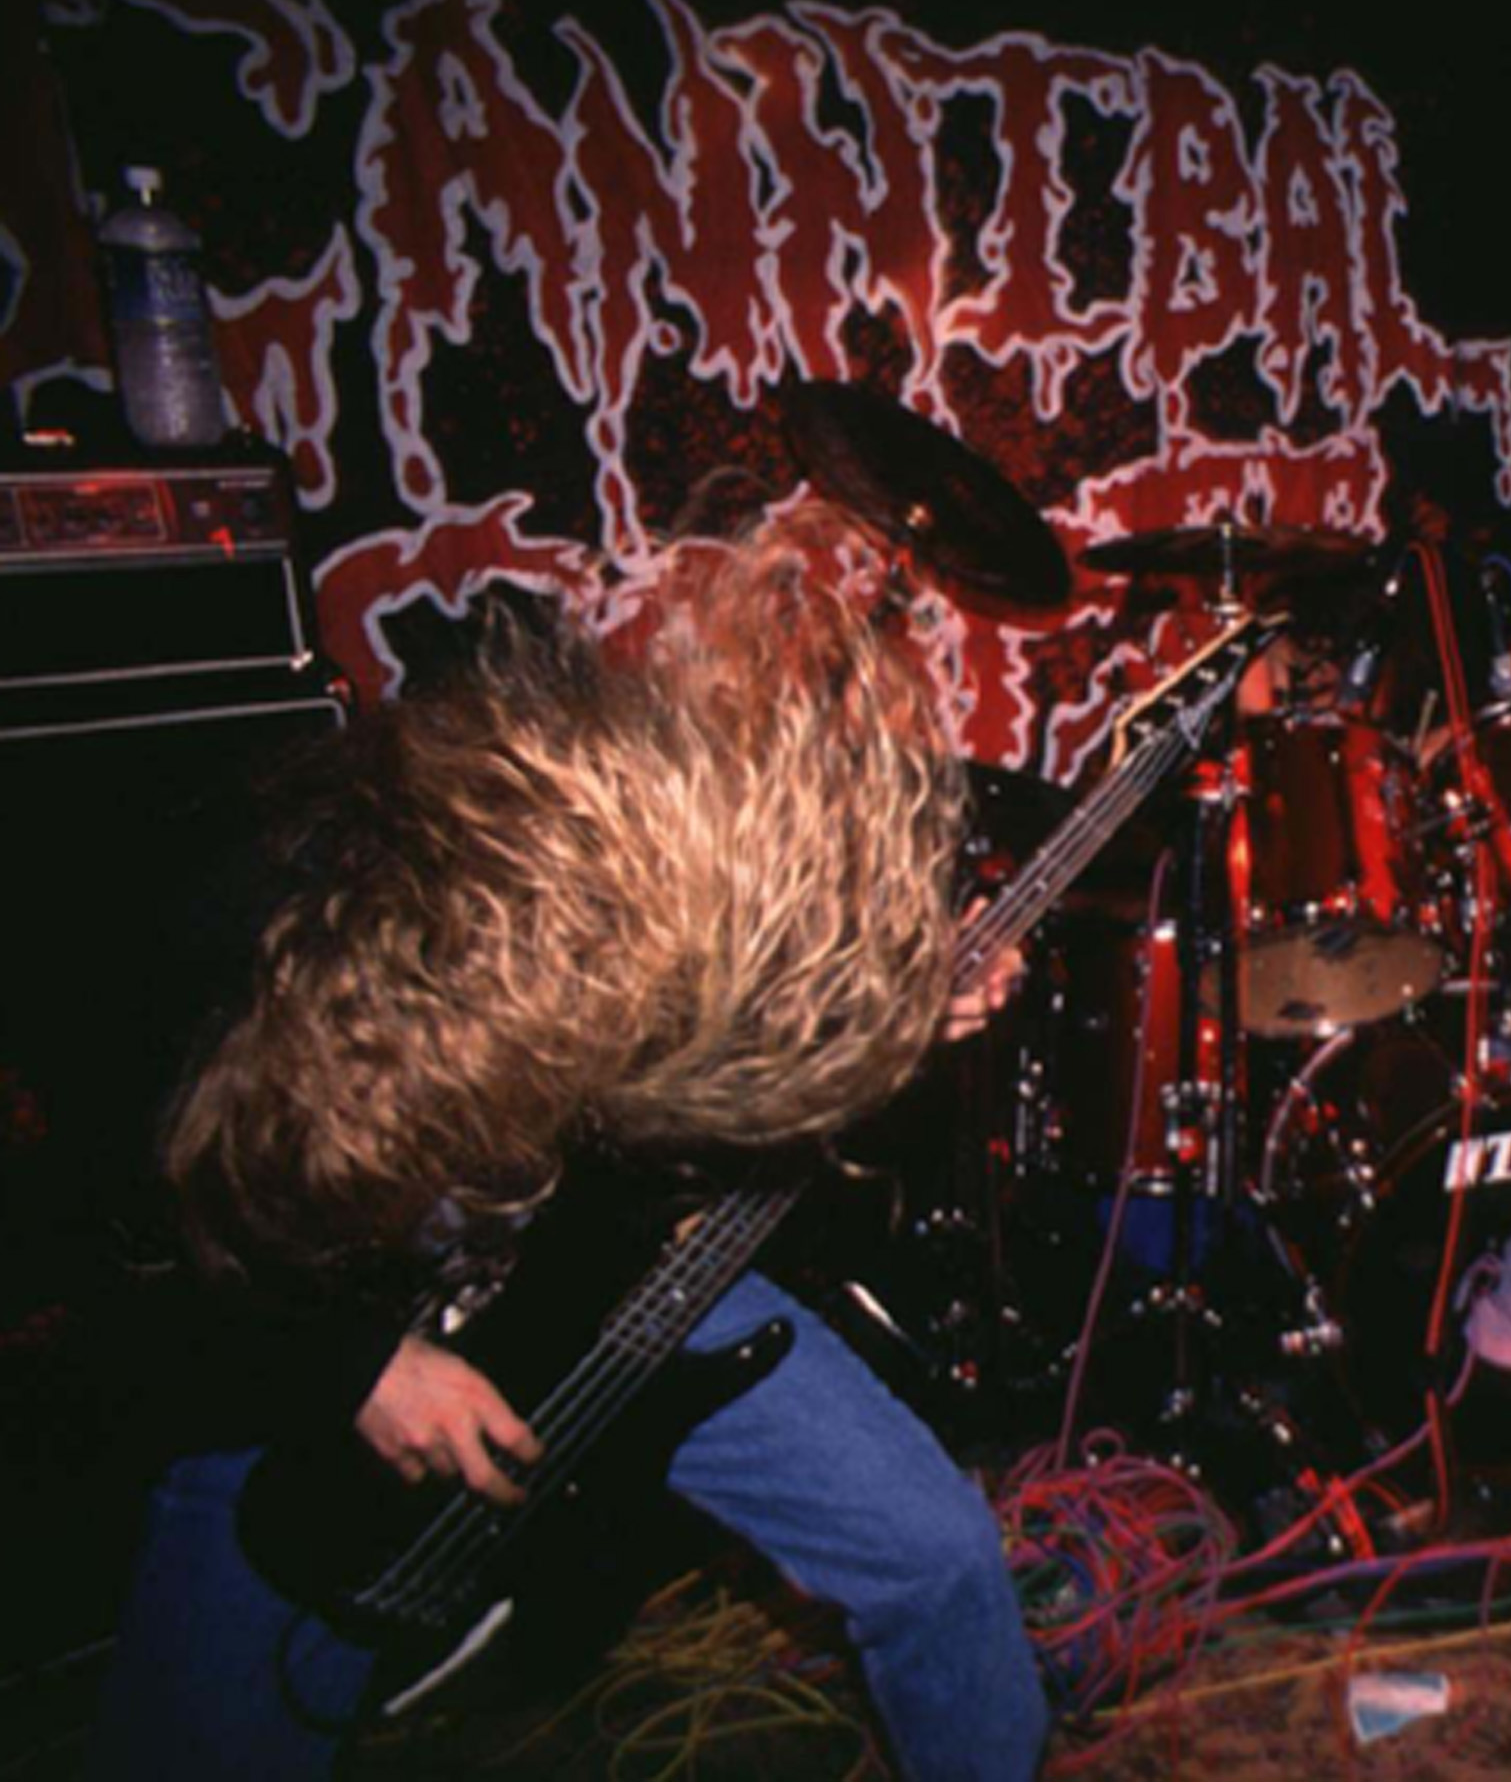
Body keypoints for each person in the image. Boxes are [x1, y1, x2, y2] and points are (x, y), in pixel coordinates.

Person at [89, 538, 1048, 1781]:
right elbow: (125, 1221)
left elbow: (710, 1101)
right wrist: (353, 1364)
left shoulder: (651, 872)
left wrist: (893, 1010)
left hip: (605, 1262)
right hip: (305, 1323)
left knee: (939, 1557)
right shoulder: (245, 923)